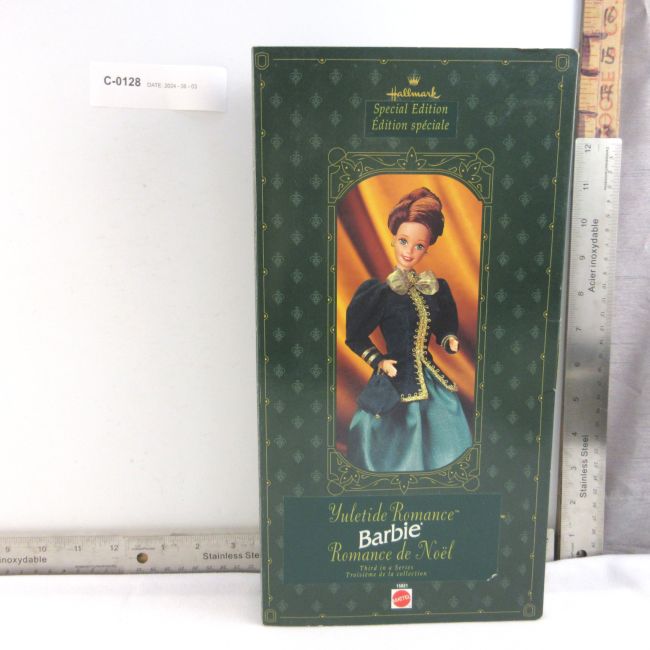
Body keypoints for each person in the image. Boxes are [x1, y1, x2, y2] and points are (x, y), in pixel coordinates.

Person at [345, 187, 472, 472]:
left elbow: (445, 322)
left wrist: (448, 338)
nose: (409, 251)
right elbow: (355, 336)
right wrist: (379, 360)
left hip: (429, 375)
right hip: (395, 376)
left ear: (427, 248)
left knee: (446, 414)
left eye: (419, 246)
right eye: (403, 241)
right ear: (393, 239)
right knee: (385, 428)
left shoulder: (435, 289)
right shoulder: (379, 293)